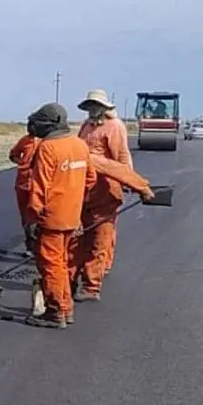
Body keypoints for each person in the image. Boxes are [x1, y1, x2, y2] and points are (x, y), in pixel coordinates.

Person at [22, 102, 96, 329]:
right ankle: (66, 308)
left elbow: (38, 188)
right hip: (72, 216)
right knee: (62, 264)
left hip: (51, 218)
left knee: (51, 266)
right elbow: (90, 179)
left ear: (50, 124)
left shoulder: (47, 148)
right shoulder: (80, 145)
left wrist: (33, 219)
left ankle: (55, 312)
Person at [75, 89, 133, 300]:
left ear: (104, 108)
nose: (92, 109)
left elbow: (122, 155)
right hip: (86, 187)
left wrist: (129, 179)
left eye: (95, 106)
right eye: (90, 106)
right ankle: (99, 268)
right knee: (90, 234)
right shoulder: (86, 126)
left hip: (106, 187)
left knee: (100, 236)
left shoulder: (114, 127)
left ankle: (92, 287)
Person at [9, 127, 45, 316]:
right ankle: (31, 246)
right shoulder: (25, 141)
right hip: (23, 185)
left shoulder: (48, 143)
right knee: (26, 218)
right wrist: (22, 163)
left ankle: (39, 248)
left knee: (38, 218)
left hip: (38, 186)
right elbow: (13, 154)